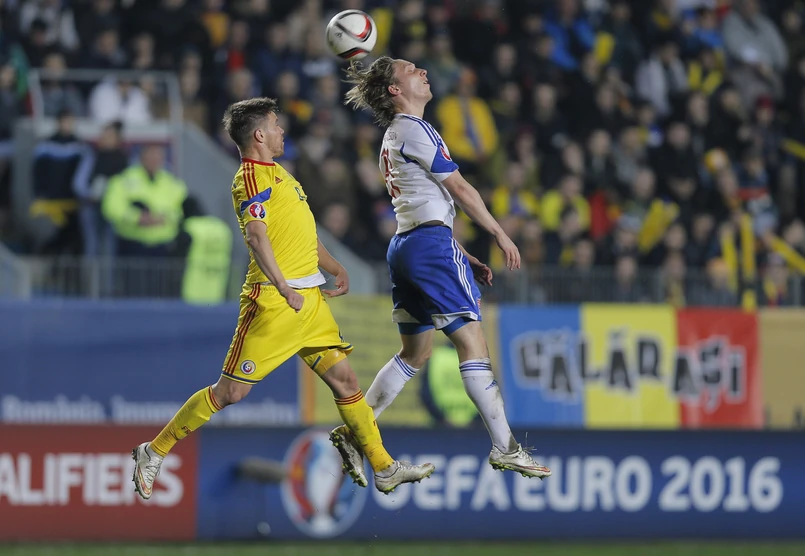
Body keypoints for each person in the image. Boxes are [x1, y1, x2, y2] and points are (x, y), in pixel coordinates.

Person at [131, 97, 435, 499]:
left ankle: (384, 467)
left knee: (346, 380)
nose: (281, 131)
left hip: (309, 302)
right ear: (259, 135)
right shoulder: (250, 179)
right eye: (276, 125)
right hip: (275, 303)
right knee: (230, 393)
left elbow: (302, 232)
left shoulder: (282, 174)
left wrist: (334, 266)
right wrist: (283, 286)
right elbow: (257, 238)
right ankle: (154, 451)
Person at [331, 57, 551, 487]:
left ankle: (357, 434)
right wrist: (499, 233)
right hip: (429, 246)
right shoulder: (416, 129)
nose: (423, 72)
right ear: (395, 89)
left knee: (415, 354)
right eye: (412, 70)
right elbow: (460, 189)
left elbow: (421, 207)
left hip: (407, 246)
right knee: (473, 343)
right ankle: (504, 446)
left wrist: (461, 254)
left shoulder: (392, 138)